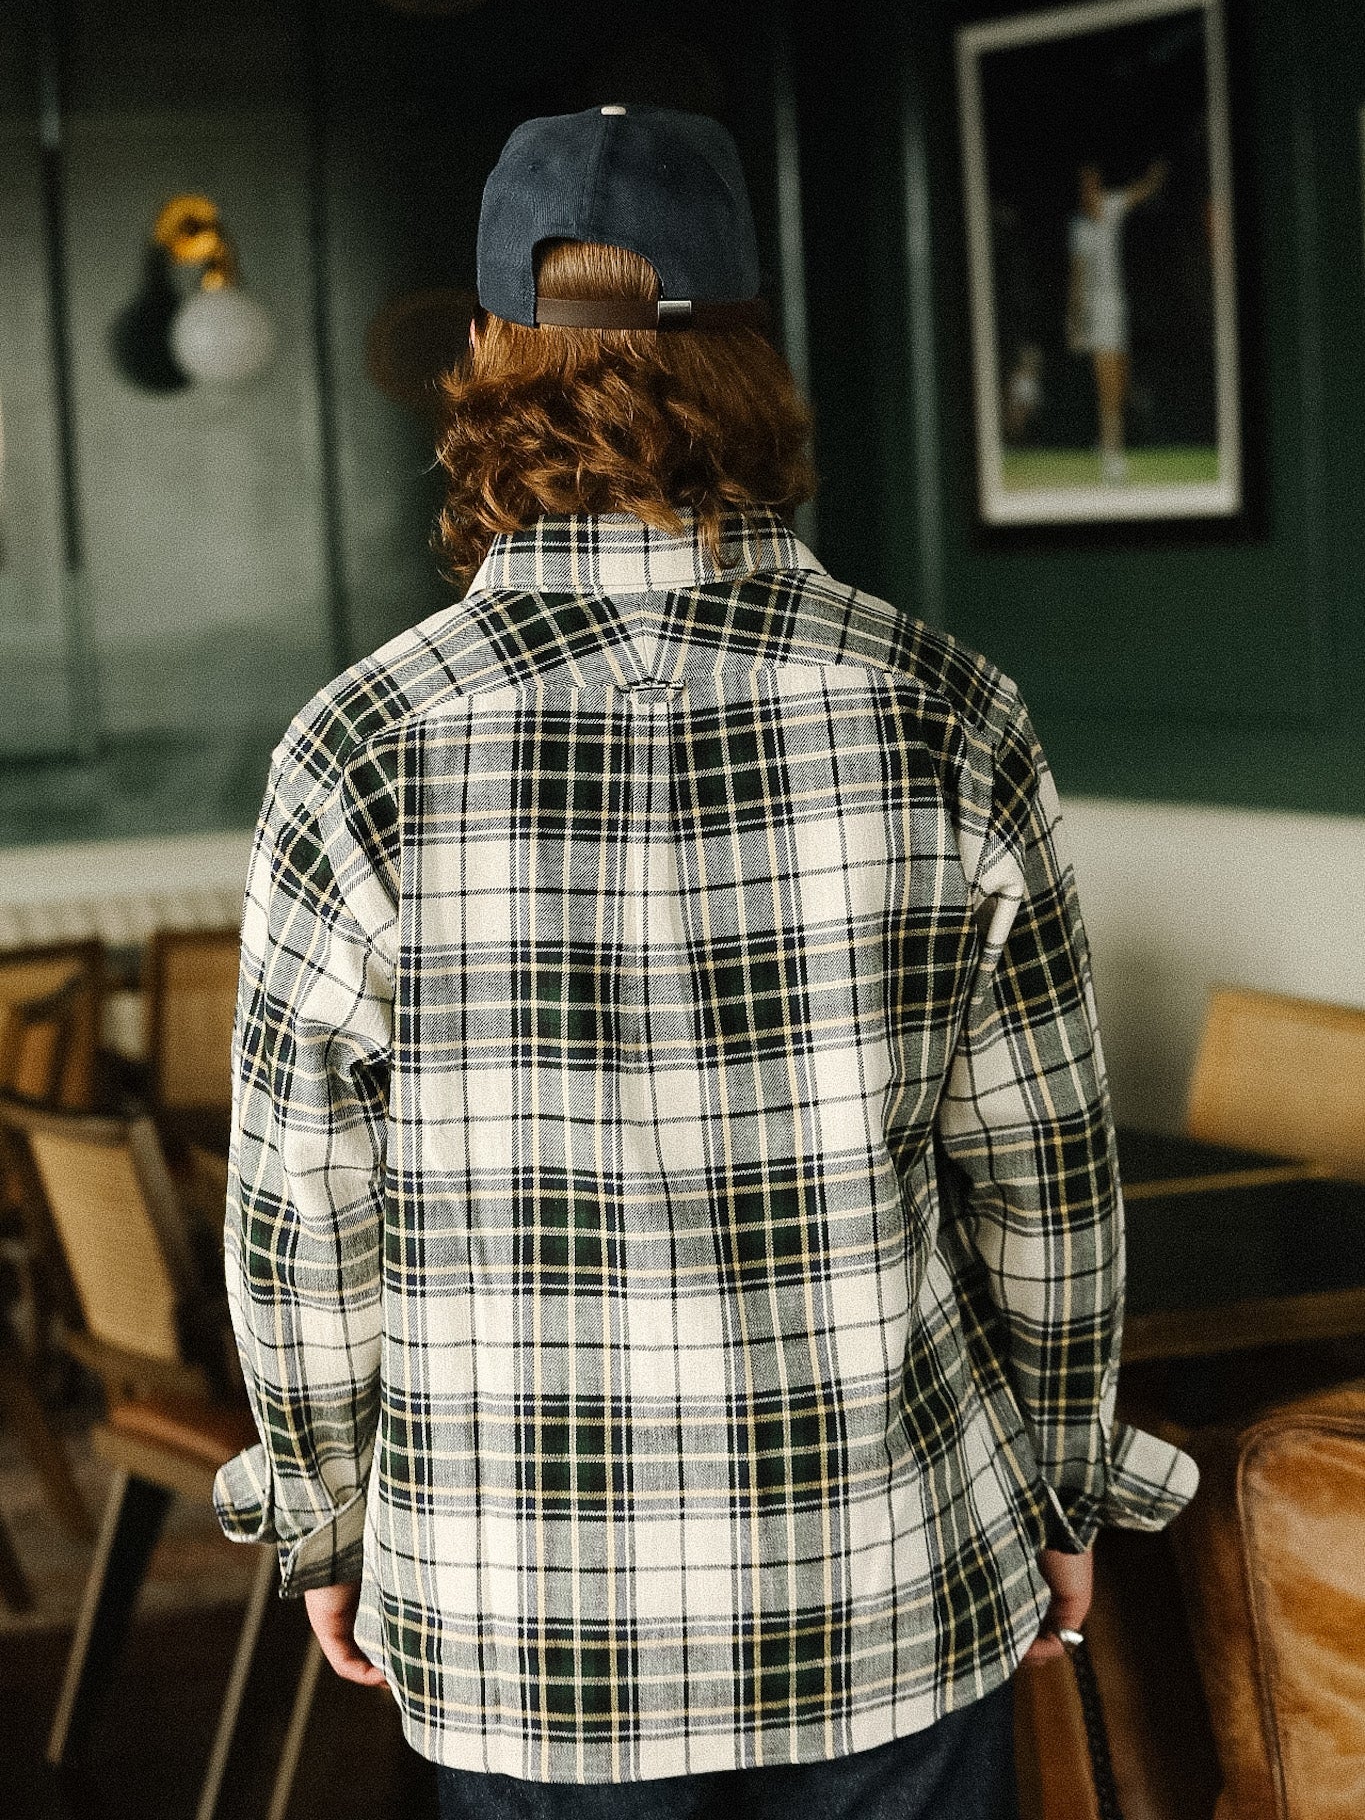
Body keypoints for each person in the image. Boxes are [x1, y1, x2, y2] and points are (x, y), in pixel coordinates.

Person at [214, 105, 1197, 1818]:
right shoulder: (945, 710)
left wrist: (326, 1513)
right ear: (753, 354)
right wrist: (1062, 1488)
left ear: (480, 358)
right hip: (890, 1578)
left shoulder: (362, 745)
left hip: (529, 1618)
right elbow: (1044, 1172)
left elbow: (309, 1211)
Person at [1066, 156, 1168, 480]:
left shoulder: (1111, 206)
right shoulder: (1080, 227)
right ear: (1081, 191)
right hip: (1096, 311)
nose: (1090, 189)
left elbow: (1139, 192)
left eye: (1094, 182)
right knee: (1107, 384)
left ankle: (1106, 442)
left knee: (1121, 385)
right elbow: (1077, 278)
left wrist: (1154, 178)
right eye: (1085, 185)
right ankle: (1112, 459)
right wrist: (1075, 323)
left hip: (1117, 307)